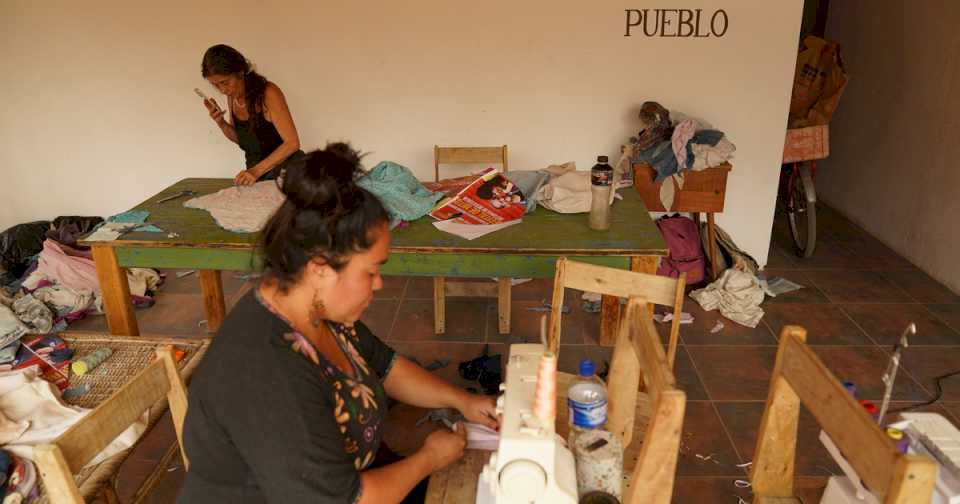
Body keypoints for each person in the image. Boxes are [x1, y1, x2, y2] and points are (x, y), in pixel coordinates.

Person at [179, 143, 498, 503]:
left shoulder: (316, 312)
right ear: (320, 269)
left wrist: (461, 401)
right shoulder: (266, 371)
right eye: (372, 271)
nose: (378, 284)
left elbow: (386, 366)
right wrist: (429, 459)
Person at [200, 44, 304, 185]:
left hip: (289, 176)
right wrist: (221, 123)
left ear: (240, 72)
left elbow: (292, 143)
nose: (222, 90)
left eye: (225, 82)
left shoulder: (268, 93)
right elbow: (243, 140)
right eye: (215, 85)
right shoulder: (232, 96)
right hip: (259, 178)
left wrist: (256, 171)